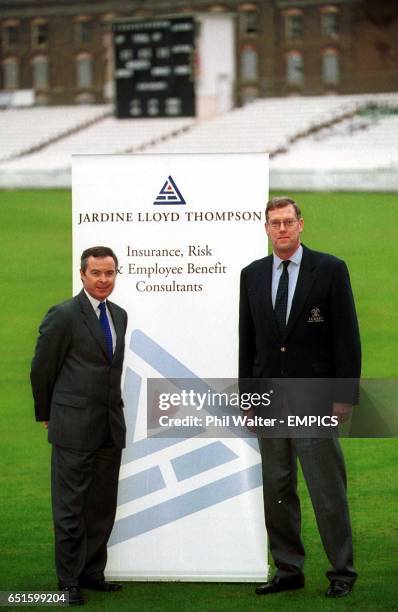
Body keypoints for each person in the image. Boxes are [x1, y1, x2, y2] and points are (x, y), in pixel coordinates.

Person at [239, 196, 361, 599]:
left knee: (326, 489)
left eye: (288, 221)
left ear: (301, 224)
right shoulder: (252, 275)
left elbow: (347, 337)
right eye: (275, 223)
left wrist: (343, 396)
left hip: (315, 398)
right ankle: (288, 569)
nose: (282, 229)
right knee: (277, 488)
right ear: (266, 229)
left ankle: (341, 571)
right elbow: (248, 342)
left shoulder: (329, 269)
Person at [31, 246, 127, 606]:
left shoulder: (119, 315)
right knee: (71, 507)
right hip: (72, 427)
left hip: (109, 427)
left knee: (101, 506)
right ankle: (68, 580)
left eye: (109, 273)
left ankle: (91, 573)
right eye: (96, 273)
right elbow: (42, 368)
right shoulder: (64, 315)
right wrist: (46, 413)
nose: (103, 280)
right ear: (82, 274)